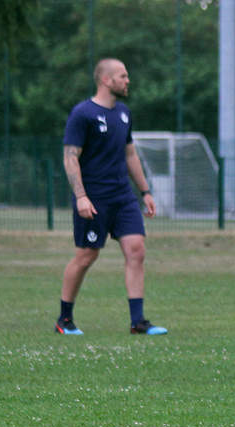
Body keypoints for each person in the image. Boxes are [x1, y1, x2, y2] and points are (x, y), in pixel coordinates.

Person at [55, 58, 166, 336]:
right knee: (86, 255)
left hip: (123, 197)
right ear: (106, 80)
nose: (127, 81)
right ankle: (64, 320)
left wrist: (145, 191)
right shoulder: (83, 114)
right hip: (94, 198)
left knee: (136, 250)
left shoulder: (124, 113)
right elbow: (71, 158)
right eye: (122, 76)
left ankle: (138, 321)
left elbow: (130, 154)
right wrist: (81, 197)